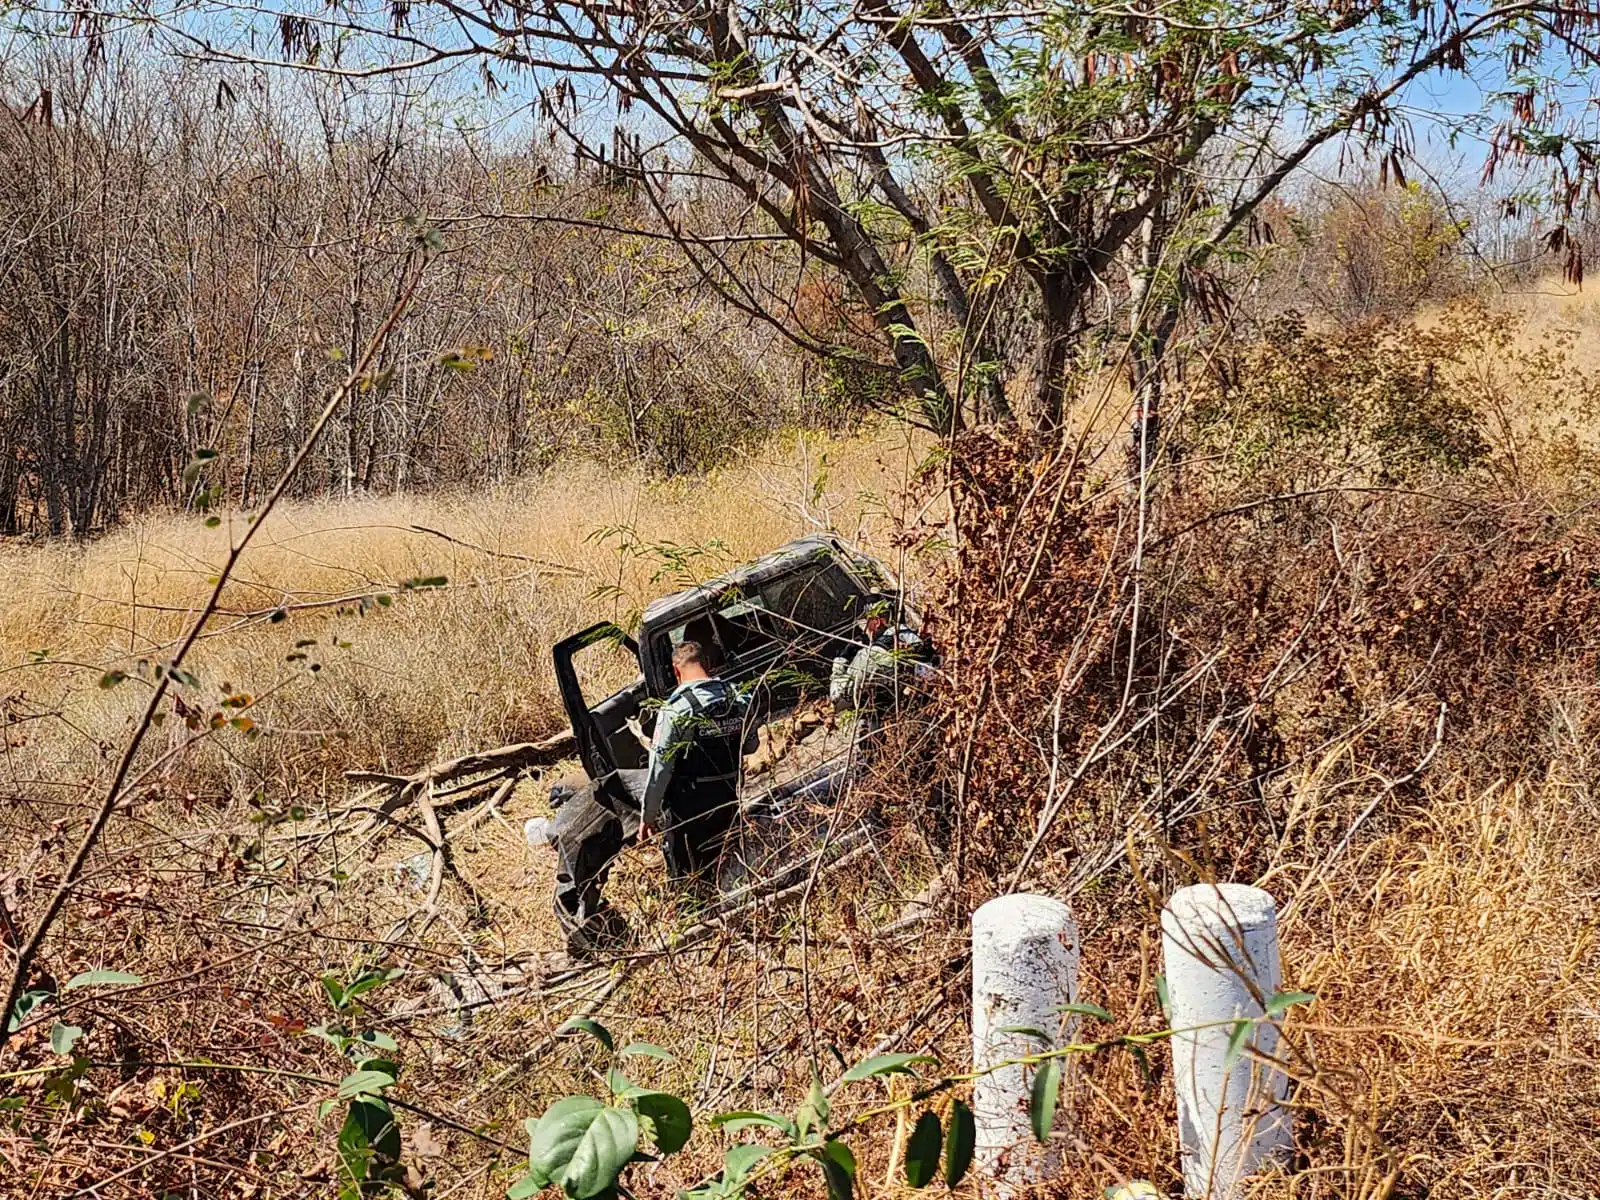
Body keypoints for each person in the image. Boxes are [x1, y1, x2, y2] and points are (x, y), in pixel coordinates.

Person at [548, 640, 752, 956]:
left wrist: (646, 818)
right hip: (726, 798)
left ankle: (692, 941)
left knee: (605, 800)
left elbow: (659, 771)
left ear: (675, 670)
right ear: (708, 665)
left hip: (687, 809)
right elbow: (749, 745)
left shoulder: (677, 709)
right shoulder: (738, 698)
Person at [829, 606, 934, 712]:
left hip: (890, 659)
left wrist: (849, 649)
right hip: (890, 673)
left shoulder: (893, 633)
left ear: (877, 622)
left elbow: (924, 651)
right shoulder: (845, 691)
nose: (865, 632)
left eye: (865, 627)